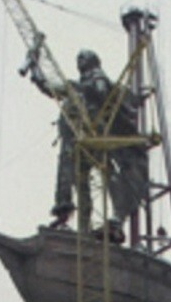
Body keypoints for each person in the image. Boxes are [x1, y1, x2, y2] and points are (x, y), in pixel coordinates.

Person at [28, 47, 148, 237]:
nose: (79, 61)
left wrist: (76, 87)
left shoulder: (96, 78)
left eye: (83, 58)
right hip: (78, 143)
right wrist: (35, 71)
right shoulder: (76, 89)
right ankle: (81, 227)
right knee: (81, 186)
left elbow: (100, 91)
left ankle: (118, 217)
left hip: (95, 139)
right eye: (78, 58)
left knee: (109, 177)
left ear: (93, 61)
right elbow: (50, 88)